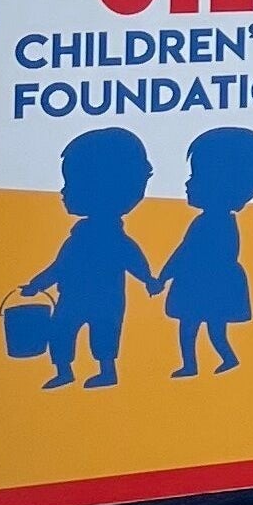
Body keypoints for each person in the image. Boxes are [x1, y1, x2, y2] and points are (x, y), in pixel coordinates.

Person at [20, 126, 154, 390]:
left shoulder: (110, 236)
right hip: (73, 295)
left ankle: (106, 371)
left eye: (70, 184)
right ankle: (65, 371)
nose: (62, 192)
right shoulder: (80, 236)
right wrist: (37, 285)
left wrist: (147, 278)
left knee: (103, 333)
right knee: (61, 331)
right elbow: (60, 266)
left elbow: (131, 256)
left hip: (105, 298)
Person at [159, 126, 253, 377]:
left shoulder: (209, 223)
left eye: (195, 177)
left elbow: (185, 253)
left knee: (191, 326)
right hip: (216, 281)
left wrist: (163, 276)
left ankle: (195, 364)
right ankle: (220, 359)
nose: (187, 183)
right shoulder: (223, 222)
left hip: (202, 281)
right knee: (213, 327)